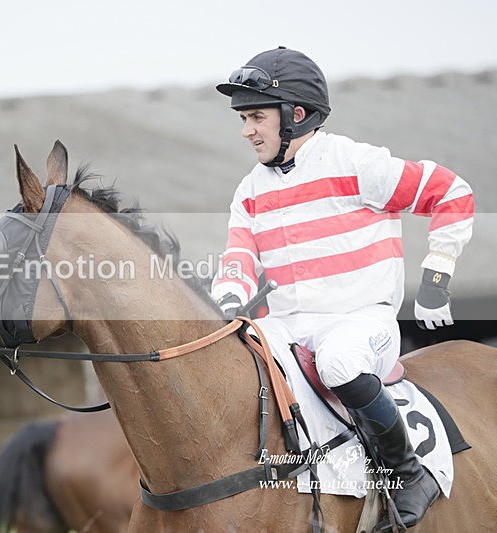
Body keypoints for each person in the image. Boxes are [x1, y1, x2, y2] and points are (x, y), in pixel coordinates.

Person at [212, 46, 474, 530]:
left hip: (361, 321)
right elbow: (239, 257)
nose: (246, 130)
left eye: (255, 117)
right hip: (287, 326)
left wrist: (436, 276)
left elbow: (451, 191)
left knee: (339, 362)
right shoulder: (249, 189)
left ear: (295, 114)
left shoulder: (358, 163)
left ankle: (406, 472)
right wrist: (227, 299)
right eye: (243, 119)